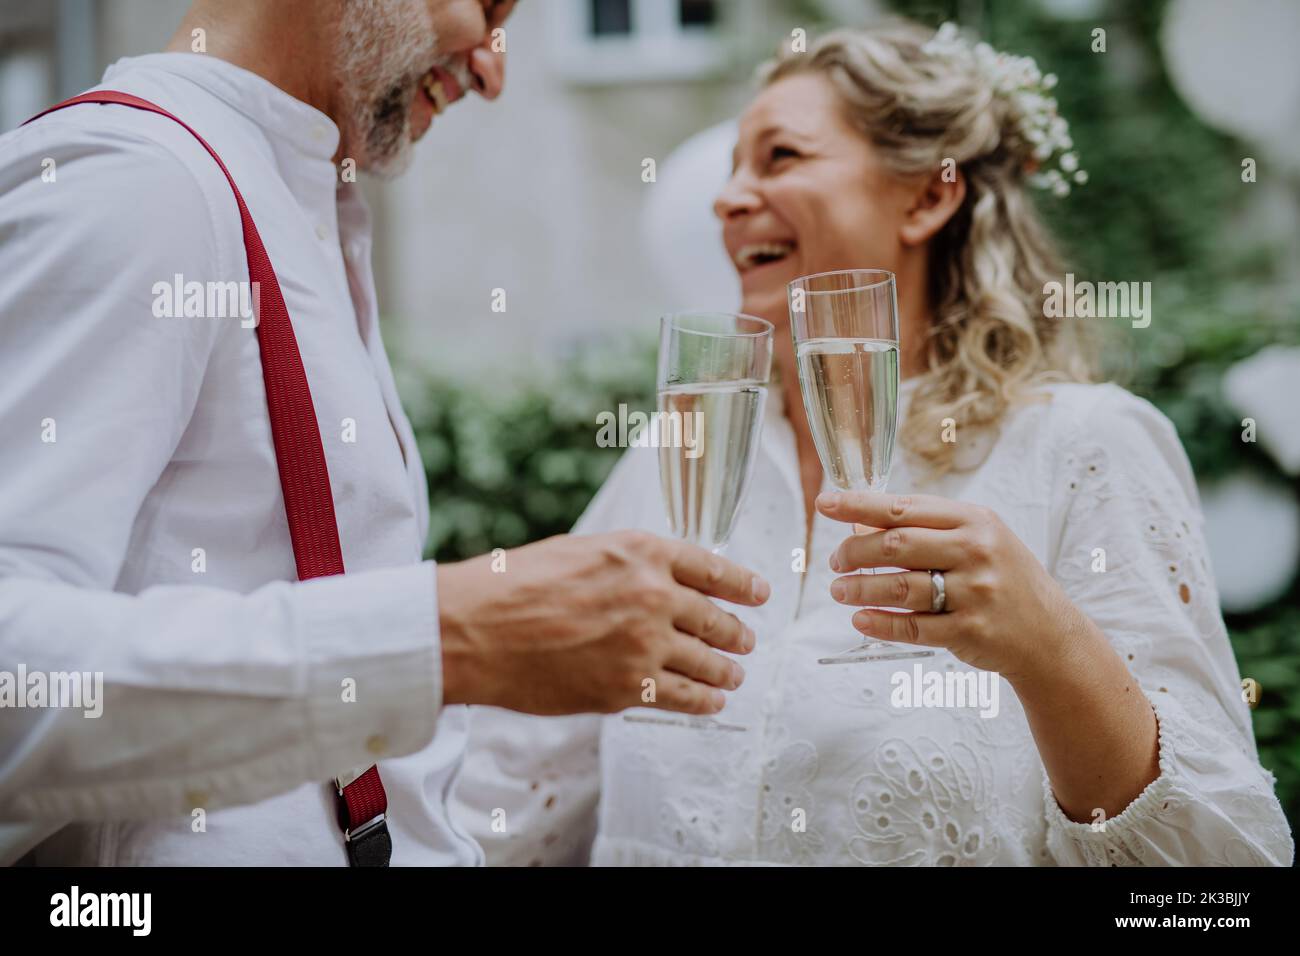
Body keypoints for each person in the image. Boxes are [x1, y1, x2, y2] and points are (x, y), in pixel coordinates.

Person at [452, 21, 1295, 866]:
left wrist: (1046, 645)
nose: (727, 197)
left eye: (780, 157)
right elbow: (504, 795)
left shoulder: (1084, 447)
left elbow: (1219, 873)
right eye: (731, 169)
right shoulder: (684, 456)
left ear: (929, 196)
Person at [0, 0, 770, 866]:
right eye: (487, 6)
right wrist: (452, 636)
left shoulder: (301, 199)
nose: (492, 69)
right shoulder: (139, 183)